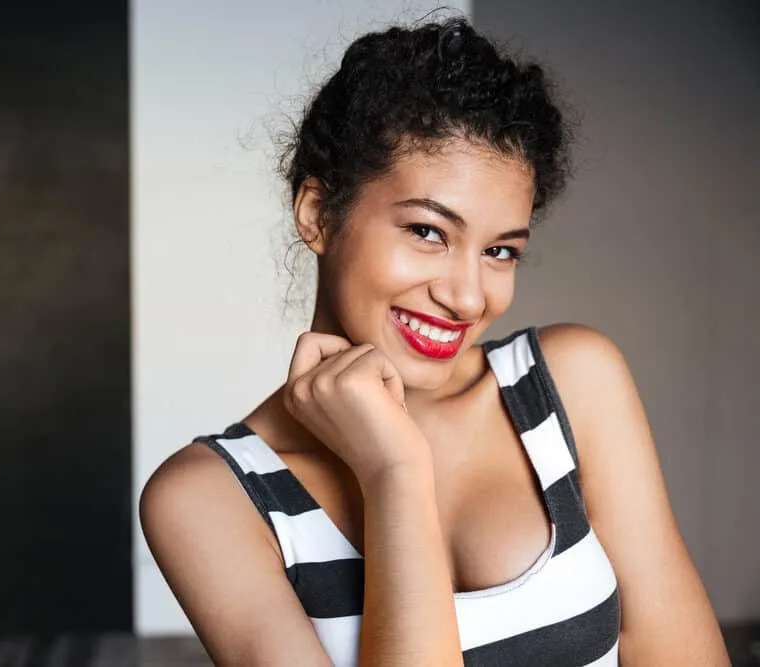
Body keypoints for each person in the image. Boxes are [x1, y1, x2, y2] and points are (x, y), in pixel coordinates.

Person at [139, 17, 729, 667]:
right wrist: (395, 474)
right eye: (428, 231)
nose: (469, 297)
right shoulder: (208, 499)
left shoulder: (572, 383)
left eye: (500, 250)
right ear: (317, 214)